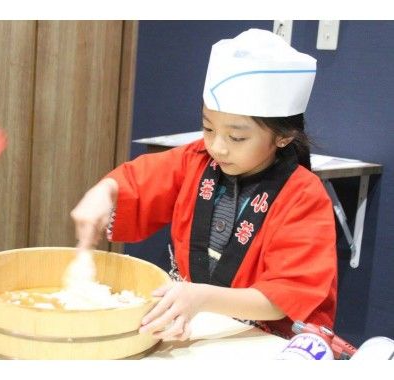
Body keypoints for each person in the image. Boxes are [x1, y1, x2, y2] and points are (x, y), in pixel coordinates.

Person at [71, 28, 337, 340]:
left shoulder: (304, 196)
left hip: (267, 341)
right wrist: (103, 192)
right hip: (199, 324)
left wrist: (201, 297)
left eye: (236, 137)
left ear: (284, 136)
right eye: (208, 128)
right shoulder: (196, 159)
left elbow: (284, 295)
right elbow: (137, 181)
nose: (217, 147)